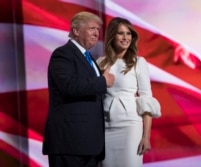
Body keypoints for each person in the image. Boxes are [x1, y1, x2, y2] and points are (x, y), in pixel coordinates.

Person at [42, 11, 114, 167]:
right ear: (75, 31)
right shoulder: (63, 54)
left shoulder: (88, 58)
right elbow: (69, 86)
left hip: (88, 144)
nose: (96, 34)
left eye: (98, 30)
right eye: (91, 29)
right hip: (69, 142)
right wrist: (102, 81)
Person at [97, 17, 161, 167]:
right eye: (121, 33)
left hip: (130, 127)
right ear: (112, 36)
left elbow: (146, 100)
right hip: (105, 128)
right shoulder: (101, 62)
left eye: (129, 33)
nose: (125, 37)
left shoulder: (139, 62)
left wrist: (146, 137)